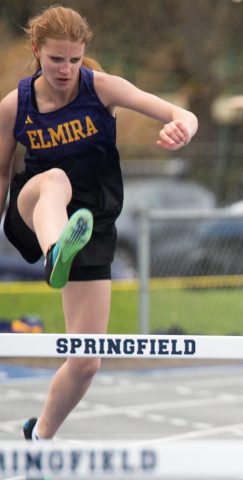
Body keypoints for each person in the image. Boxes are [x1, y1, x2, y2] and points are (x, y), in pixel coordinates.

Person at [0, 5, 198, 440]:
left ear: (84, 53)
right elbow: (1, 172)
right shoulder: (16, 104)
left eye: (73, 59)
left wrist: (181, 129)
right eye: (55, 60)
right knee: (55, 180)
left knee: (87, 359)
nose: (66, 69)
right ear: (36, 50)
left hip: (89, 225)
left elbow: (183, 115)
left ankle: (41, 435)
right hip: (35, 208)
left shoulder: (102, 88)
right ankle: (56, 251)